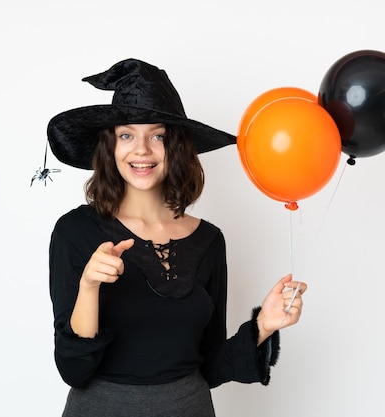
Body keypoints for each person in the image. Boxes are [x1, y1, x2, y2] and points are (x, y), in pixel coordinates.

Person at [47, 58, 307, 417]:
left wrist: (263, 325)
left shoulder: (210, 241)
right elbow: (73, 369)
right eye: (127, 135)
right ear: (110, 146)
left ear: (177, 148)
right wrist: (89, 285)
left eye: (157, 136)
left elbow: (210, 365)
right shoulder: (75, 232)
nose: (142, 150)